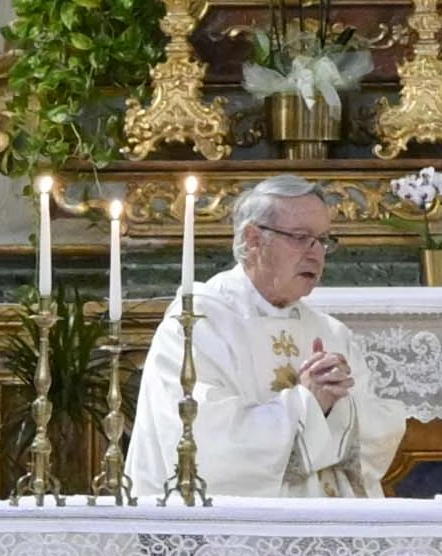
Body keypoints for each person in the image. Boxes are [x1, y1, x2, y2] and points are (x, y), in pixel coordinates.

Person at [121, 177, 384, 498]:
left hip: (326, 529)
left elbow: (378, 432)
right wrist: (308, 406)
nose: (316, 253)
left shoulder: (330, 333)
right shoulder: (198, 323)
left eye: (323, 240)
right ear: (254, 239)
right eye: (302, 238)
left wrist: (333, 409)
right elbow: (205, 443)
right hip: (229, 534)